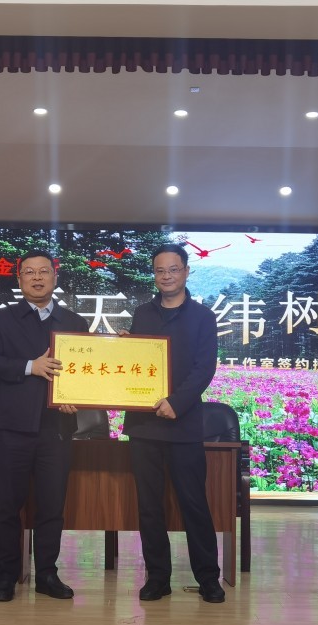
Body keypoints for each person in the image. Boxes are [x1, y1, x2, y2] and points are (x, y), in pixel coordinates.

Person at [0, 250, 90, 602]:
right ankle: (5, 576)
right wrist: (31, 366)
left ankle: (47, 575)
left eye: (44, 271)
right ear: (20, 279)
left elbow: (84, 372)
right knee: (6, 506)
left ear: (55, 277)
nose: (37, 277)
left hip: (57, 428)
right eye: (29, 272)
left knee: (51, 507)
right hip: (13, 428)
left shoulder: (74, 322)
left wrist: (78, 396)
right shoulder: (2, 319)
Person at [122, 243, 226, 603]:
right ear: (154, 275)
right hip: (143, 424)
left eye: (173, 269)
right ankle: (158, 578)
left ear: (186, 272)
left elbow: (204, 369)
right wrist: (123, 350)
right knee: (149, 505)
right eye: (160, 270)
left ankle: (208, 578)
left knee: (193, 503)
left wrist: (176, 403)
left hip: (184, 424)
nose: (166, 276)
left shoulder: (203, 317)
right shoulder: (142, 313)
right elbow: (137, 362)